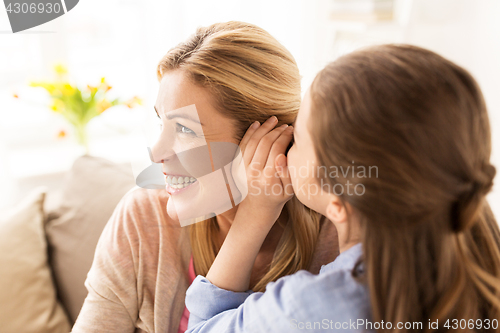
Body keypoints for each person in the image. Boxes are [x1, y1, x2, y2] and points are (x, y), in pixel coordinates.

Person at [185, 44, 500, 332]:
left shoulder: (307, 308)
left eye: (300, 140)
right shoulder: (482, 264)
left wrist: (252, 215)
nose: (288, 140)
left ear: (339, 203)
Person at [71, 21, 338, 333]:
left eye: (185, 130)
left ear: (268, 141)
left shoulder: (336, 236)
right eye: (162, 123)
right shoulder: (141, 220)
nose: (156, 154)